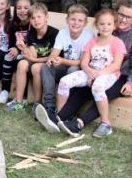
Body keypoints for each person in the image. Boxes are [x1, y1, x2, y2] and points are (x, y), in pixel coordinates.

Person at [39, 2, 132, 138]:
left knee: (99, 90)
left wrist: (131, 83)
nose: (123, 19)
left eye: (128, 17)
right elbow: (90, 57)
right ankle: (59, 117)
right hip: (96, 71)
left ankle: (82, 123)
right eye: (121, 15)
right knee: (82, 90)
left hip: (122, 76)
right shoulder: (105, 28)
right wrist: (90, 72)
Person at [54, 9, 127, 138]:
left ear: (114, 25)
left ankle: (106, 123)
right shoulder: (92, 42)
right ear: (96, 25)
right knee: (65, 81)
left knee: (97, 87)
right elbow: (84, 62)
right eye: (102, 24)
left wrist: (98, 74)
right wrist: (89, 71)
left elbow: (116, 65)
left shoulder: (117, 43)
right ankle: (60, 116)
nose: (105, 27)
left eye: (109, 24)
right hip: (91, 71)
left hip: (108, 74)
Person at [5, 3, 59, 113]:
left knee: (36, 67)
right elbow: (32, 55)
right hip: (37, 60)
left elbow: (52, 57)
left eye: (39, 17)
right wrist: (24, 48)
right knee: (22, 64)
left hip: (51, 63)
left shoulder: (54, 33)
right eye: (33, 18)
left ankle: (37, 103)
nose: (36, 20)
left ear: (46, 17)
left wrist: (33, 59)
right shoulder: (31, 33)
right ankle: (19, 102)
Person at [0, 0, 33, 104]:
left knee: (21, 61)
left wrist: (19, 50)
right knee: (8, 57)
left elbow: (33, 43)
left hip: (29, 54)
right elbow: (11, 43)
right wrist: (15, 48)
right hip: (17, 52)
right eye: (19, 8)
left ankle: (24, 96)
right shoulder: (14, 24)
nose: (22, 11)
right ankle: (5, 91)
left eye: (26, 8)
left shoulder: (34, 24)